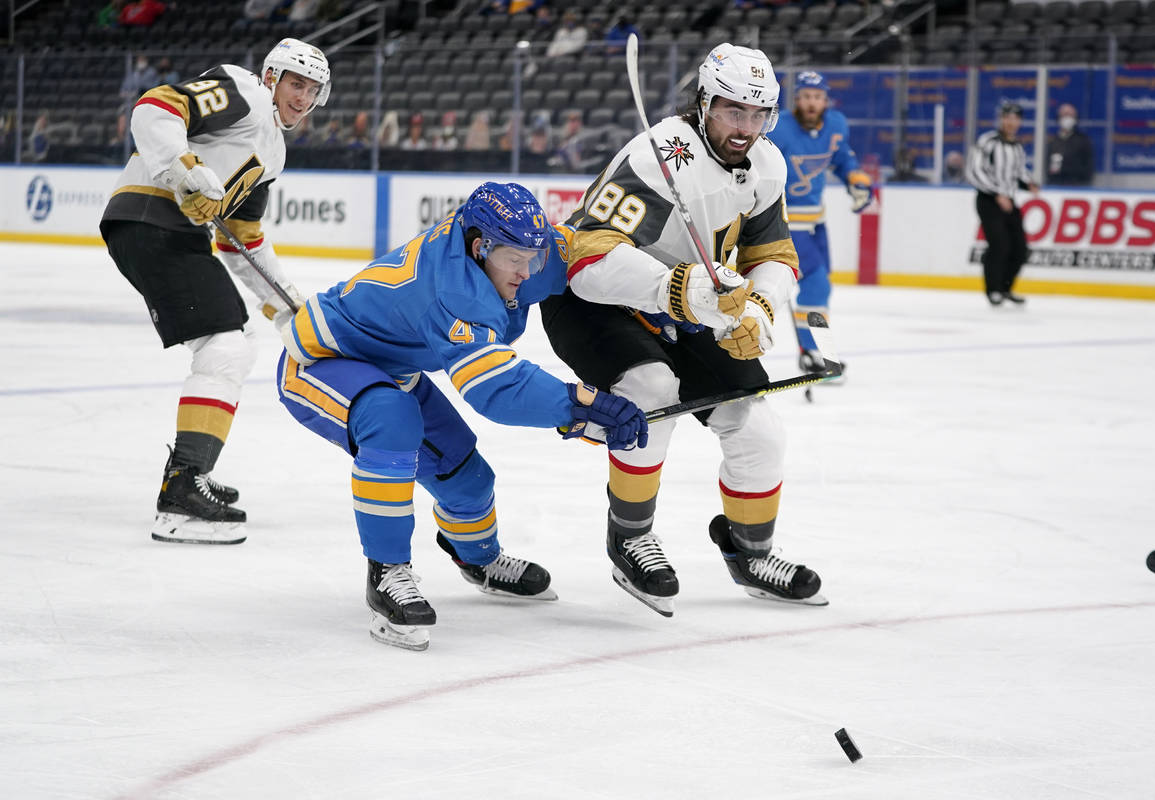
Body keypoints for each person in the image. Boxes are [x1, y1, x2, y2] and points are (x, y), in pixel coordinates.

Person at [276, 182, 648, 649]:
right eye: (516, 260)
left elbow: (579, 254)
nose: (527, 271)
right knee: (393, 422)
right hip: (318, 363)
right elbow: (496, 388)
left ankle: (479, 559)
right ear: (480, 247)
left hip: (394, 369)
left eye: (533, 257)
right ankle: (387, 572)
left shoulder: (512, 248)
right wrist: (584, 404)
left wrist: (667, 301)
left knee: (466, 477)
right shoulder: (453, 292)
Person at [540, 43, 828, 618]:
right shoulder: (657, 156)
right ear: (703, 102)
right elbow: (589, 264)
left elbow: (772, 253)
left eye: (758, 114)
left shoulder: (768, 164)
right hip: (592, 304)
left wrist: (759, 313)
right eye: (731, 112)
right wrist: (682, 287)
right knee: (653, 394)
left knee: (759, 427)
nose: (745, 128)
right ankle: (630, 537)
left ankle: (751, 551)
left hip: (689, 302)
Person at [98, 38, 331, 545]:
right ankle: (181, 495)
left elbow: (241, 239)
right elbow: (156, 107)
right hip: (150, 218)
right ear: (271, 78)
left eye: (312, 89)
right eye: (296, 83)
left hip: (167, 230)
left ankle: (189, 476)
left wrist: (288, 307)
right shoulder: (244, 92)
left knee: (233, 344)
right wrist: (184, 170)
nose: (302, 97)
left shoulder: (272, 152)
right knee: (225, 347)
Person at [769, 70, 872, 375]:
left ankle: (819, 351)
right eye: (806, 97)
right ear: (797, 99)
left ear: (826, 100)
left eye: (817, 97)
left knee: (822, 289)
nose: (812, 103)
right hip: (785, 223)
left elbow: (842, 160)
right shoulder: (778, 129)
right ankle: (816, 352)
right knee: (815, 283)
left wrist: (854, 179)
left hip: (817, 222)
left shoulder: (837, 124)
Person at [967, 101, 1040, 306]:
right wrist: (996, 192)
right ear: (1001, 119)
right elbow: (974, 171)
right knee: (999, 244)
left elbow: (1018, 173)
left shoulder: (1016, 147)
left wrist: (1030, 184)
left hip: (1008, 201)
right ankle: (993, 290)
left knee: (1019, 248)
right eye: (1007, 117)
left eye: (1015, 118)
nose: (1011, 122)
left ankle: (1006, 288)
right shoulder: (988, 141)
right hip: (988, 200)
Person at [1046, 102, 1094, 186]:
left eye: (1070, 115)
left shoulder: (1083, 140)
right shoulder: (1053, 141)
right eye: (1064, 114)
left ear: (1075, 118)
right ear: (1058, 117)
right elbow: (1048, 167)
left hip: (1078, 186)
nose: (1067, 118)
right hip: (1056, 185)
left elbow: (1089, 168)